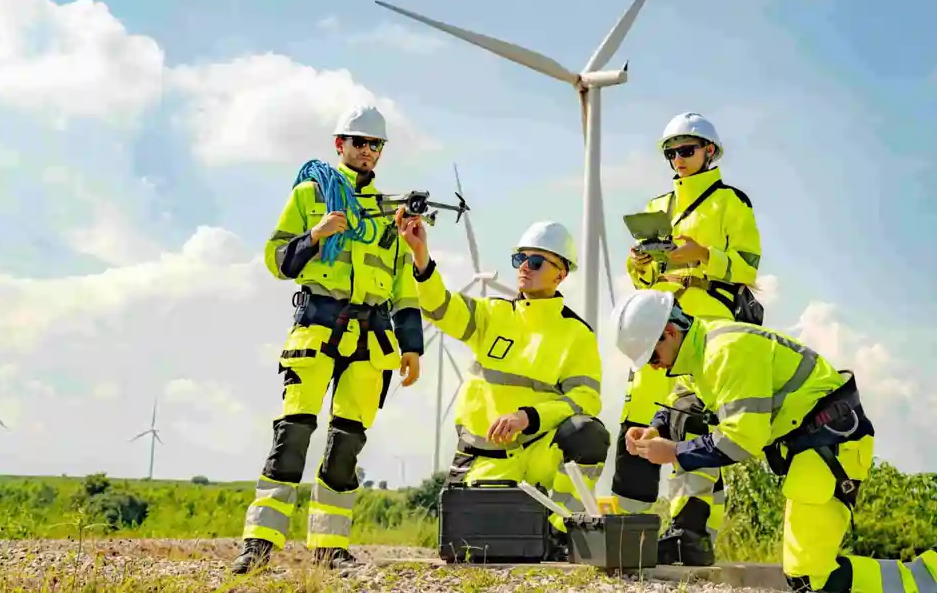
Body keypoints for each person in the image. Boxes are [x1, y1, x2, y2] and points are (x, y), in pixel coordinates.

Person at [609, 290, 937, 593]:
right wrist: (657, 428)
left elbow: (740, 441)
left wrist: (673, 452)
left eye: (652, 356)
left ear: (670, 332)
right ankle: (934, 576)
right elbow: (687, 400)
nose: (654, 366)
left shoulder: (726, 352)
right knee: (807, 576)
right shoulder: (707, 350)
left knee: (810, 576)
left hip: (829, 447)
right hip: (816, 448)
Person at [232, 105, 426, 575]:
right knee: (292, 434)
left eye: (374, 144)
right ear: (339, 145)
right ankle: (259, 542)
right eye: (358, 142)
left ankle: (329, 548)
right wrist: (316, 236)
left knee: (346, 444)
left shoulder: (390, 210)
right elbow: (277, 261)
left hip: (374, 337)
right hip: (317, 325)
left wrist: (412, 345)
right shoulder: (310, 193)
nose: (366, 151)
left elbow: (403, 284)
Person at [397, 214, 611, 560]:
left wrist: (530, 417)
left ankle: (559, 531)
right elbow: (439, 307)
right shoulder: (490, 315)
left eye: (536, 261)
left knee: (589, 434)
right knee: (478, 549)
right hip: (485, 455)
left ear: (561, 273)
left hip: (540, 452)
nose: (524, 267)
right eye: (520, 259)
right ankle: (533, 533)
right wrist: (421, 257)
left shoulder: (577, 335)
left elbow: (585, 399)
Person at [613, 111, 763, 566]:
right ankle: (627, 530)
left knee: (690, 424)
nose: (678, 158)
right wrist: (638, 262)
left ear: (709, 152)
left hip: (704, 321)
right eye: (671, 152)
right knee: (639, 420)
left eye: (686, 150)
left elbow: (749, 268)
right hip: (655, 319)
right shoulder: (657, 203)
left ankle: (690, 533)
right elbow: (642, 278)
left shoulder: (731, 202)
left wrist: (704, 255)